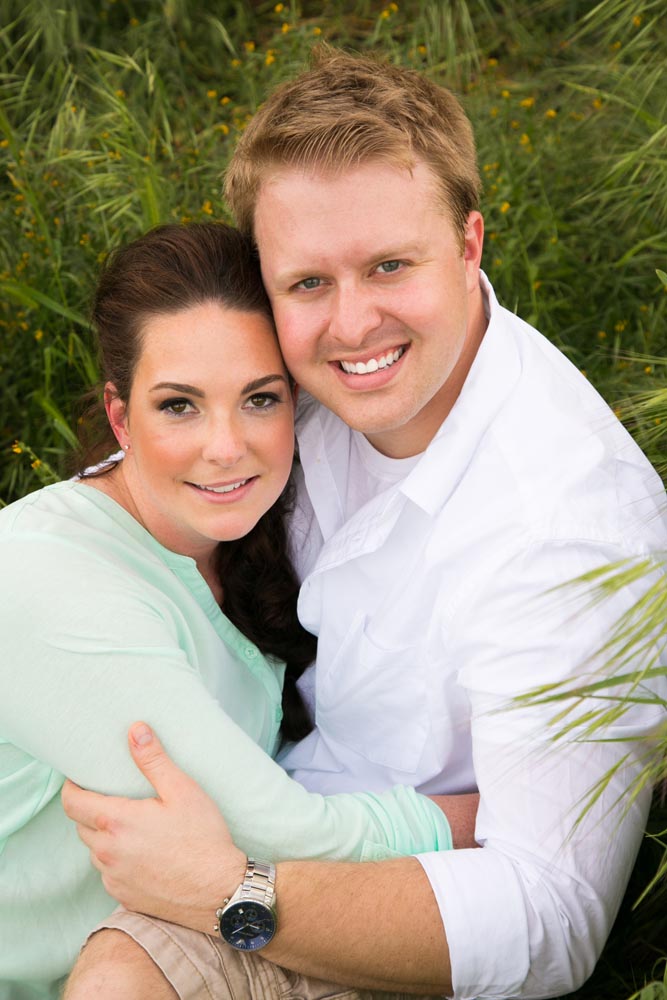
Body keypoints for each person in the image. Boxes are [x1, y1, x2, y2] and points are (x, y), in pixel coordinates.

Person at [62, 48, 667, 1000]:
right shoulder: (293, 392)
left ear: (470, 246)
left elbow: (549, 919)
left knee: (117, 982)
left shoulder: (567, 528)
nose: (351, 327)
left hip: (402, 887)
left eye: (389, 265)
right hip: (260, 787)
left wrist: (229, 891)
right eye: (306, 283)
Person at [0, 221, 462, 1000]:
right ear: (120, 418)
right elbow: (277, 834)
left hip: (157, 947)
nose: (226, 447)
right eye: (179, 405)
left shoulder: (254, 540)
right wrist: (504, 813)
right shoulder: (42, 575)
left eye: (259, 399)